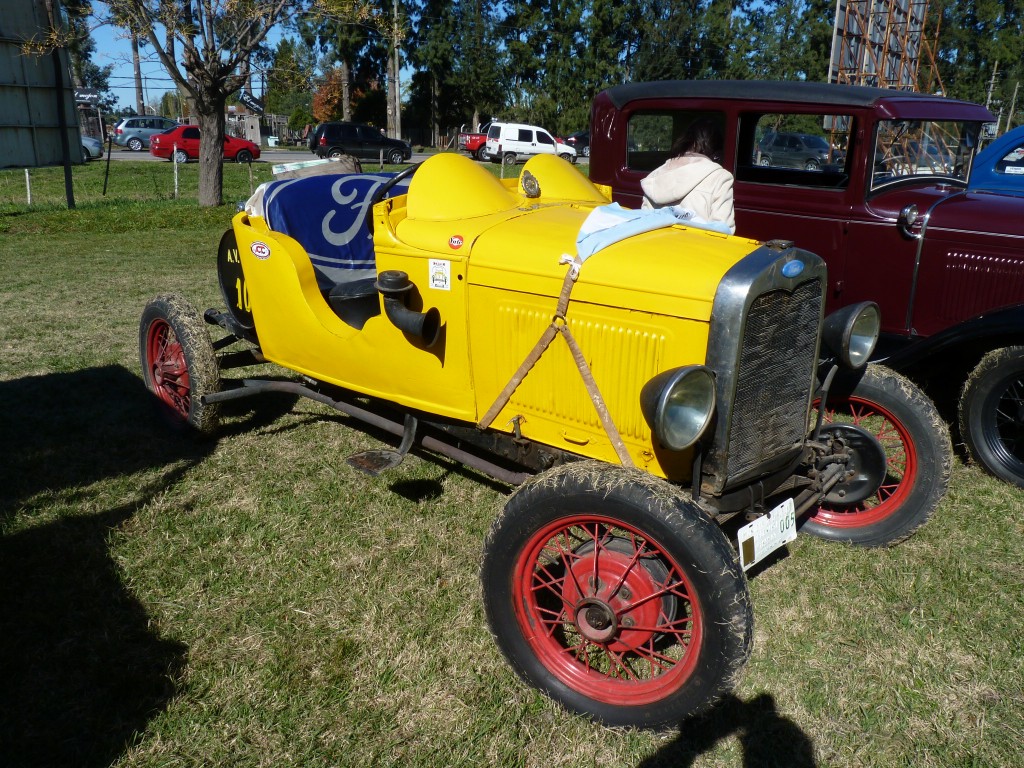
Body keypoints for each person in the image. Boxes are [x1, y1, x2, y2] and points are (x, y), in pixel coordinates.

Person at [641, 118, 735, 234]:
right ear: (717, 153)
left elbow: (643, 224)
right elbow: (724, 232)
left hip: (655, 249)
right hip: (695, 250)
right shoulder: (721, 178)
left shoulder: (654, 176)